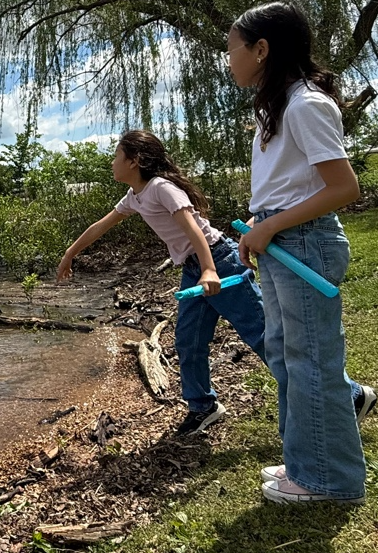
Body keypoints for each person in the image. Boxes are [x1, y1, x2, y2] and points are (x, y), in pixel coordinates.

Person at [228, 0, 374, 504]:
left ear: (261, 50)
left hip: (303, 244)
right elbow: (291, 186)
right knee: (286, 355)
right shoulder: (280, 107)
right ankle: (304, 463)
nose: (228, 60)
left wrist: (271, 226)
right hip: (283, 239)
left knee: (312, 362)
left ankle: (329, 480)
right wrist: (259, 222)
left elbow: (343, 187)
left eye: (232, 48)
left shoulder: (306, 104)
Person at [56, 130, 268, 436]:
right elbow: (100, 226)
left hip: (219, 261)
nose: (112, 162)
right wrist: (69, 254)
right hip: (194, 269)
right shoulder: (136, 195)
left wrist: (209, 270)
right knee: (188, 341)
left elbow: (194, 230)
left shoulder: (161, 188)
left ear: (134, 161)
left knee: (261, 333)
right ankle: (204, 406)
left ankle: (319, 392)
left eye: (116, 156)